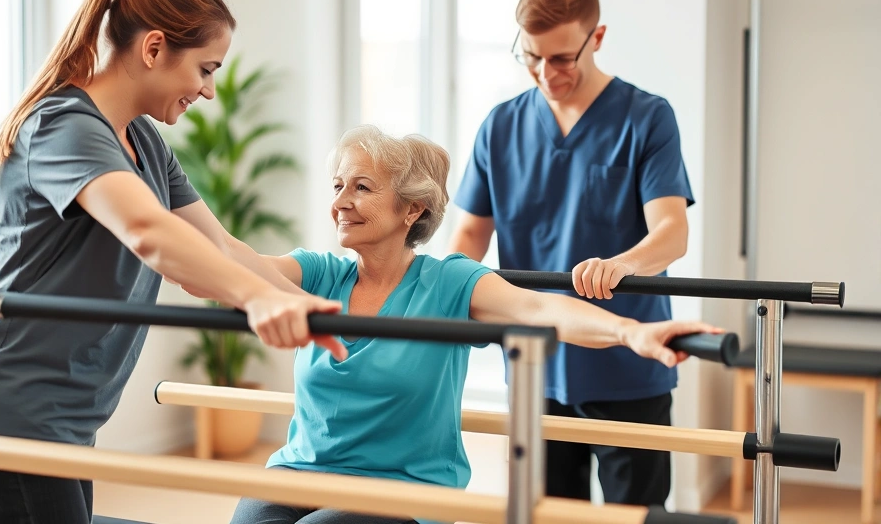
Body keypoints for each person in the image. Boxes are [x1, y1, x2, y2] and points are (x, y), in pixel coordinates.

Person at [0, 0, 348, 523]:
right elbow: (150, 233)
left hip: (64, 420)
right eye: (205, 69)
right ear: (153, 49)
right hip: (8, 410)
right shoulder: (62, 126)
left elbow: (221, 249)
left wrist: (306, 307)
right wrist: (258, 300)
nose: (207, 91)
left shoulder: (144, 143)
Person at [229, 126, 719, 524]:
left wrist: (632, 332)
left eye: (361, 187)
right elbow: (231, 267)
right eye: (337, 186)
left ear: (412, 209)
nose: (340, 202)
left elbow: (539, 310)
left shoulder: (448, 282)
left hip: (401, 490)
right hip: (301, 471)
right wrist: (164, 213)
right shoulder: (317, 273)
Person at [447, 0, 695, 507]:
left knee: (636, 519)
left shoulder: (647, 118)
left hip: (627, 366)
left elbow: (672, 232)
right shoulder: (500, 125)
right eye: (531, 56)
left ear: (596, 38)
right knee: (547, 515)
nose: (544, 72)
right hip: (534, 365)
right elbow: (469, 234)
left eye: (561, 58)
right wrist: (443, 294)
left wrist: (623, 262)